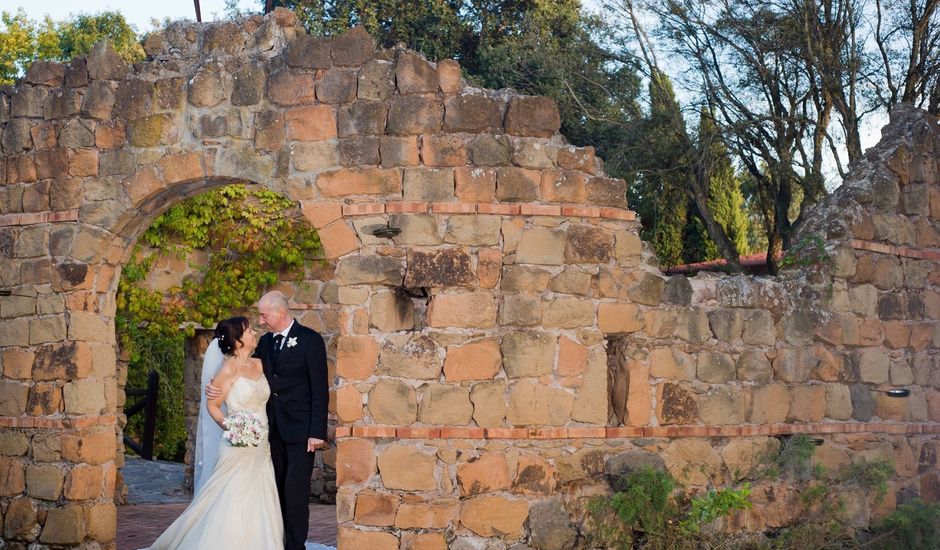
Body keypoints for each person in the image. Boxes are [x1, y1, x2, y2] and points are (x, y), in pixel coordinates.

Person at [207, 291, 330, 550]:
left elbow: (319, 388)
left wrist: (316, 431)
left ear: (279, 312)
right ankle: (277, 541)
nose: (261, 322)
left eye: (264, 315)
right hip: (267, 432)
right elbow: (240, 370)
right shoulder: (265, 344)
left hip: (301, 433)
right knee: (274, 492)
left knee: (295, 493)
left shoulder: (310, 340)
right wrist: (214, 389)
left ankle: (296, 546)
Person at [148, 317, 283, 549]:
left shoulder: (260, 364)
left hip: (261, 446)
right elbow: (212, 406)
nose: (254, 333)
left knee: (259, 497)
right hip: (237, 446)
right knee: (231, 497)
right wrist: (232, 427)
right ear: (238, 342)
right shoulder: (227, 370)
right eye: (249, 331)